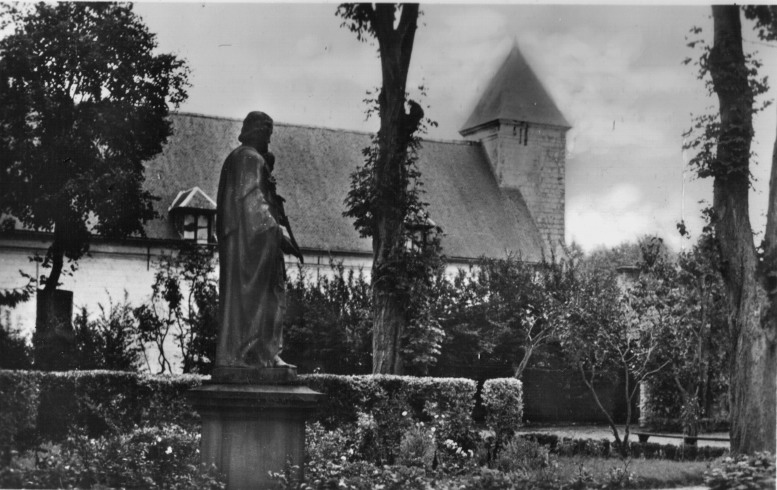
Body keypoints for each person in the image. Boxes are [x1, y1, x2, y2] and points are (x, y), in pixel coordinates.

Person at [215, 111, 302, 370]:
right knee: (263, 297)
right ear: (258, 132)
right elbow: (252, 201)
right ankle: (259, 354)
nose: (269, 141)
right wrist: (278, 234)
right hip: (252, 246)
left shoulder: (238, 158)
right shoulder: (250, 158)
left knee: (254, 299)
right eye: (268, 134)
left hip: (248, 243)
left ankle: (260, 353)